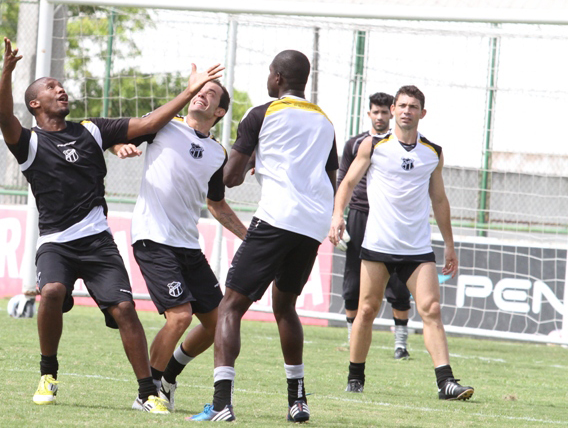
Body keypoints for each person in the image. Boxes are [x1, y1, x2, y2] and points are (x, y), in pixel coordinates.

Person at [0, 37, 224, 413]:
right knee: (51, 291)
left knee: (125, 309)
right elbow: (5, 117)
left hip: (98, 243)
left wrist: (188, 93)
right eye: (51, 87)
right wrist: (7, 72)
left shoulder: (91, 129)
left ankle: (147, 393)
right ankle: (48, 374)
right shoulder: (29, 143)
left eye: (61, 85)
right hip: (55, 243)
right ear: (34, 104)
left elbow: (148, 123)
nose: (61, 89)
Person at [190, 50, 338, 423]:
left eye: (270, 73)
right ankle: (297, 401)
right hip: (313, 224)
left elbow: (230, 177)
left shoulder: (262, 114)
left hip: (276, 217)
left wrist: (252, 157)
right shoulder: (325, 121)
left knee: (230, 306)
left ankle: (222, 403)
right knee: (285, 307)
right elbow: (329, 176)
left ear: (277, 78)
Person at [111, 79, 249, 413]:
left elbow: (216, 204)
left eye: (210, 93)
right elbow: (116, 136)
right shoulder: (163, 125)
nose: (201, 94)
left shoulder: (218, 153)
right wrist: (119, 148)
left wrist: (250, 237)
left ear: (219, 112)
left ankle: (169, 377)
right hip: (153, 237)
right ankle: (147, 393)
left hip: (188, 245)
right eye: (199, 89)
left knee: (218, 324)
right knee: (180, 316)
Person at [329, 85, 474, 400]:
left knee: (431, 309)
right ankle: (355, 377)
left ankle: (446, 383)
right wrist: (337, 215)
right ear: (393, 109)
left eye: (413, 106)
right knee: (367, 310)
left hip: (417, 248)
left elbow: (439, 199)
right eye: (403, 105)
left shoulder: (432, 152)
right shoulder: (373, 145)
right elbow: (348, 182)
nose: (407, 111)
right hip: (378, 246)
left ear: (423, 113)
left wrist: (449, 245)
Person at [337, 92, 412, 359]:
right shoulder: (355, 144)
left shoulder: (403, 145)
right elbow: (343, 181)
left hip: (392, 218)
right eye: (375, 112)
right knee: (353, 280)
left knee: (398, 281)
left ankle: (401, 344)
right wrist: (338, 217)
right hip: (360, 215)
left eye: (383, 112)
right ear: (368, 114)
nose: (379, 117)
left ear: (391, 113)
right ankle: (352, 339)